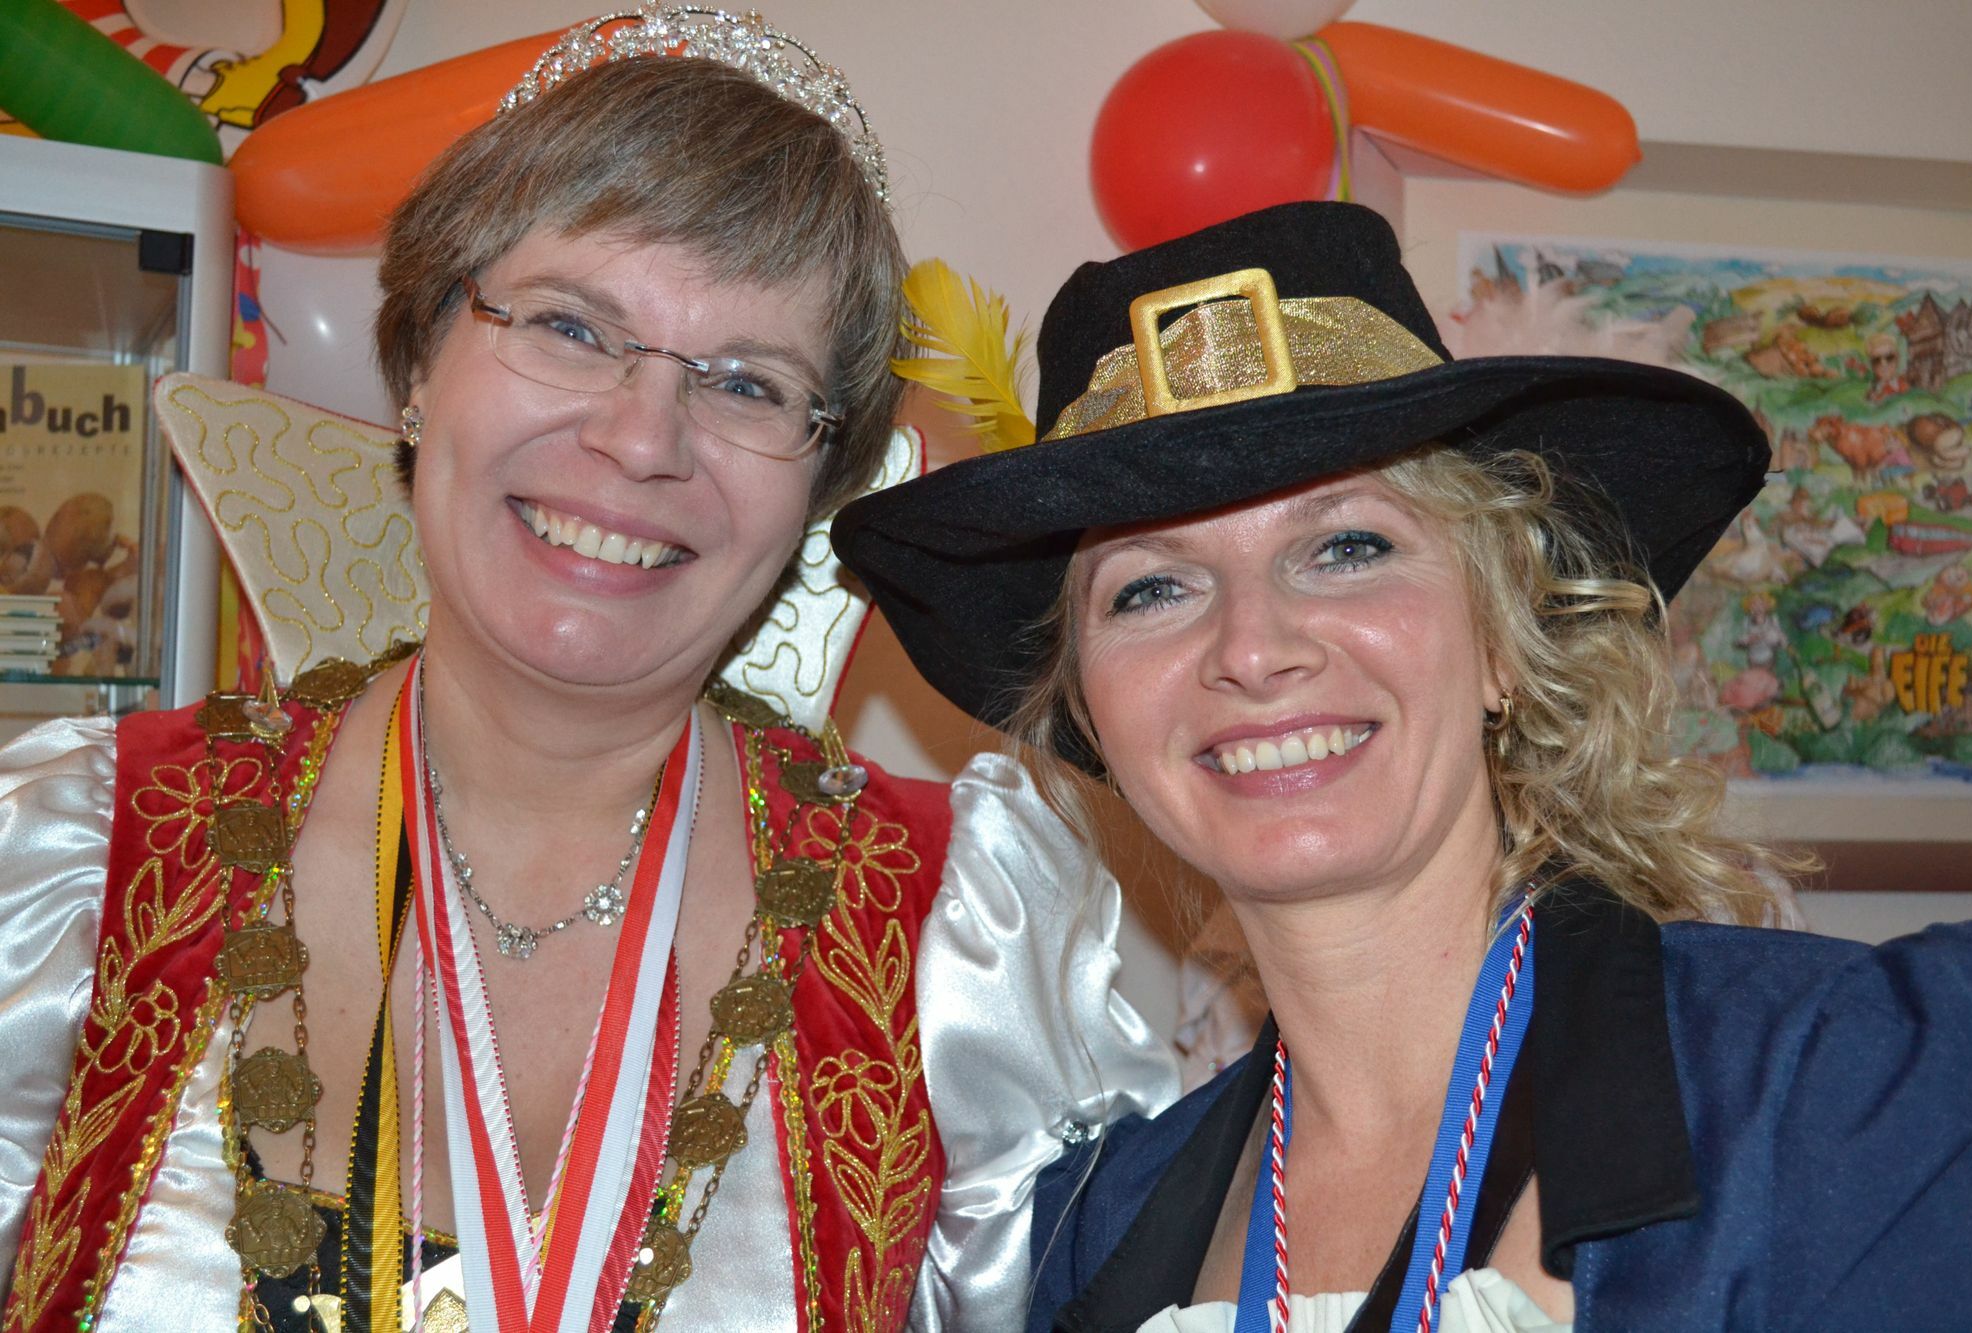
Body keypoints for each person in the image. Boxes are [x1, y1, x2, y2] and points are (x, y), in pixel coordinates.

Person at [0, 10, 1173, 1332]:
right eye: (569, 326)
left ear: (818, 488)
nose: (640, 438)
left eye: (747, 384)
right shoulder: (72, 860)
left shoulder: (960, 935)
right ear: (420, 361)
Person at [831, 202, 1972, 1332]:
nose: (1251, 648)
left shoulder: (1867, 1086)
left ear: (1504, 634)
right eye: (1151, 588)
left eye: (1345, 547)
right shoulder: (1085, 1231)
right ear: (1090, 707)